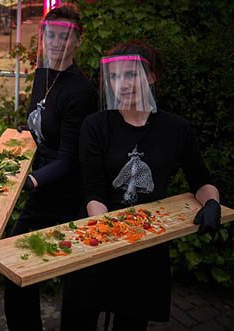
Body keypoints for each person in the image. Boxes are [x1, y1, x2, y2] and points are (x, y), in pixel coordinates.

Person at [61, 41, 222, 330]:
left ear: (151, 76)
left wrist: (211, 203)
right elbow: (93, 191)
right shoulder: (95, 125)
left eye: (131, 74)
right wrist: (110, 233)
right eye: (114, 76)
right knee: (78, 321)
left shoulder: (176, 129)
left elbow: (201, 180)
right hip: (96, 238)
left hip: (147, 247)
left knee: (132, 324)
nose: (122, 84)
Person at [4, 4, 97, 330]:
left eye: (65, 36)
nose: (57, 42)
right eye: (51, 35)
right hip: (44, 186)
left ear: (77, 41)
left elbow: (69, 157)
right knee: (15, 268)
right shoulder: (44, 73)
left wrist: (27, 182)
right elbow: (40, 133)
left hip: (69, 196)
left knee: (77, 286)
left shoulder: (80, 90)